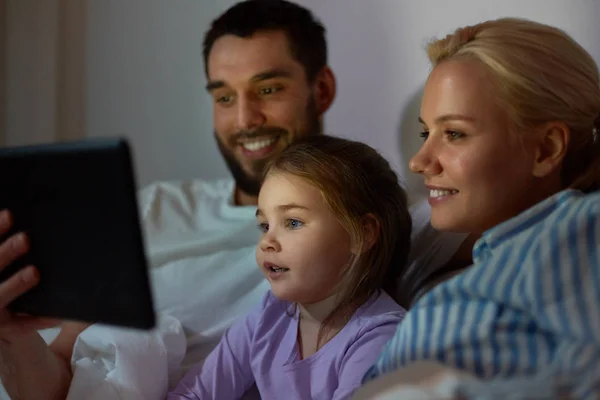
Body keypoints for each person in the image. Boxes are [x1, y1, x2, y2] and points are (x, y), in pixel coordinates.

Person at [0, 1, 468, 398]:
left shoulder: (357, 241)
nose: (245, 118)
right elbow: (58, 374)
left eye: (268, 89)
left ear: (320, 89)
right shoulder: (148, 209)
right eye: (224, 97)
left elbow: (492, 204)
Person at [354, 17, 600, 400]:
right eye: (426, 132)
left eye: (454, 134)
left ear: (546, 149)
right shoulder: (469, 266)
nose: (420, 161)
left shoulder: (584, 227)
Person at [168, 135, 412, 399]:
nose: (267, 243)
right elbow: (193, 394)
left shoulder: (382, 338)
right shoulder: (268, 315)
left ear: (361, 234)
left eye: (293, 222)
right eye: (264, 226)